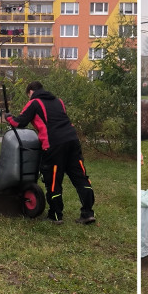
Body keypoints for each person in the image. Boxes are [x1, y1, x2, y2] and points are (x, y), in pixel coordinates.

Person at [5, 81, 95, 225]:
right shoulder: (59, 102)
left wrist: (8, 117)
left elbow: (19, 123)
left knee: (53, 180)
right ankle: (88, 213)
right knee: (81, 177)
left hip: (53, 145)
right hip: (72, 141)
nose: (29, 97)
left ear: (31, 91)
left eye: (28, 95)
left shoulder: (34, 103)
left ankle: (55, 216)